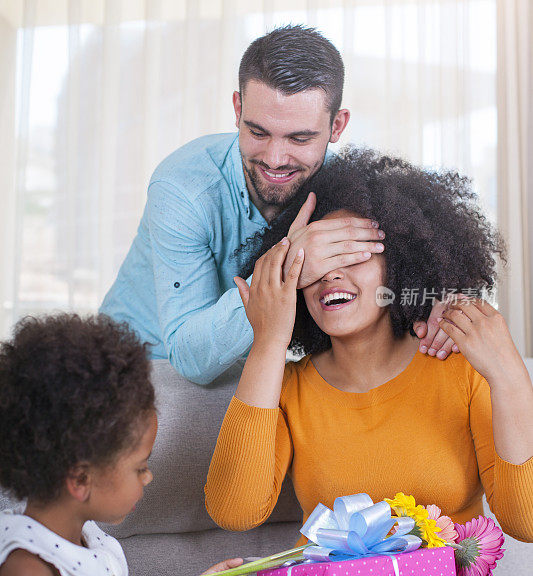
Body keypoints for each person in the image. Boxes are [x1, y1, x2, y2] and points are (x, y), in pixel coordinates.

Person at [204, 148, 533, 576]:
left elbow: (526, 522)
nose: (331, 272)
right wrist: (268, 340)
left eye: (353, 254)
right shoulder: (284, 388)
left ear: (400, 265)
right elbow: (235, 510)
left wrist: (512, 381)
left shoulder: (460, 371)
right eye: (313, 260)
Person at [100, 25, 455, 385]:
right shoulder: (182, 189)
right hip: (142, 368)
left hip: (251, 366)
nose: (274, 159)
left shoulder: (346, 188)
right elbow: (190, 359)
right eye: (258, 132)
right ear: (238, 109)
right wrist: (290, 265)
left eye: (299, 138)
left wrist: (443, 300)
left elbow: (415, 260)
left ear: (337, 126)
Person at [0, 314, 257, 576]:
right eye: (140, 467)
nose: (148, 477)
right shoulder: (30, 575)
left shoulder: (81, 540)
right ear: (80, 480)